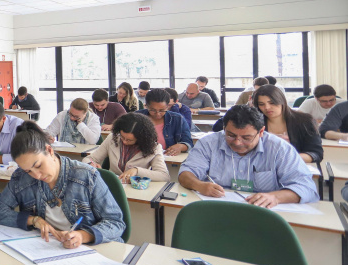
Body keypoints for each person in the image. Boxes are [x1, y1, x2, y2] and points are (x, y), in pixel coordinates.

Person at [0, 121, 125, 246]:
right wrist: (34, 220)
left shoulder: (86, 176)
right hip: (46, 248)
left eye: (38, 165)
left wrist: (82, 236)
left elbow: (116, 223)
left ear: (49, 151)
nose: (36, 175)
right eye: (28, 171)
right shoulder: (21, 177)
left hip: (91, 251)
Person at [179, 105, 319, 206]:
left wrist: (275, 197)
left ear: (261, 132)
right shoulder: (209, 143)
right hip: (218, 209)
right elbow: (185, 173)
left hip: (265, 214)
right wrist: (200, 185)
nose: (238, 142)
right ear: (224, 128)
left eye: (246, 138)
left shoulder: (279, 149)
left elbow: (307, 188)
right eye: (231, 135)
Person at [82, 113, 169, 183]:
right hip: (111, 185)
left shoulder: (154, 147)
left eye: (129, 140)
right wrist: (90, 164)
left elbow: (164, 176)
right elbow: (90, 158)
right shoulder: (113, 138)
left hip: (135, 189)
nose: (124, 142)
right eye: (122, 137)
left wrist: (137, 171)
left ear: (141, 138)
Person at [252, 85, 323, 164]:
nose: (267, 107)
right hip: (263, 169)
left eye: (272, 103)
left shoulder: (305, 121)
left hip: (294, 167)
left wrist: (286, 158)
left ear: (282, 101)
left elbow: (316, 154)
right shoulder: (253, 123)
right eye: (261, 104)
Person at [136, 88, 192, 156]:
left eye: (162, 110)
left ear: (167, 106)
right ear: (146, 106)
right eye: (153, 110)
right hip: (140, 158)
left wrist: (180, 146)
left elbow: (188, 142)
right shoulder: (136, 118)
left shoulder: (177, 119)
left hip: (167, 159)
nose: (158, 114)